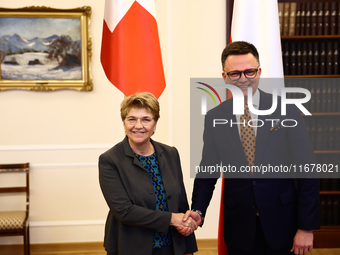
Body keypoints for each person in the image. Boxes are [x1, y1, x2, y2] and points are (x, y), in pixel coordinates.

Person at [184, 41, 320, 255]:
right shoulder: (215, 117)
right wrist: (198, 209)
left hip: (283, 223)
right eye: (235, 74)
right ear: (224, 77)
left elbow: (307, 170)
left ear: (259, 72)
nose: (243, 79)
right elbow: (208, 170)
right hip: (239, 226)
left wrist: (306, 226)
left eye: (249, 71)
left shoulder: (287, 111)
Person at [99, 92, 198, 255]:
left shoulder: (170, 153)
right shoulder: (110, 160)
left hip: (172, 245)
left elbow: (181, 202)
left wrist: (188, 246)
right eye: (132, 119)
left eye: (146, 119)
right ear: (124, 122)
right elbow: (124, 211)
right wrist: (173, 219)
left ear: (155, 123)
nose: (138, 125)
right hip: (131, 246)